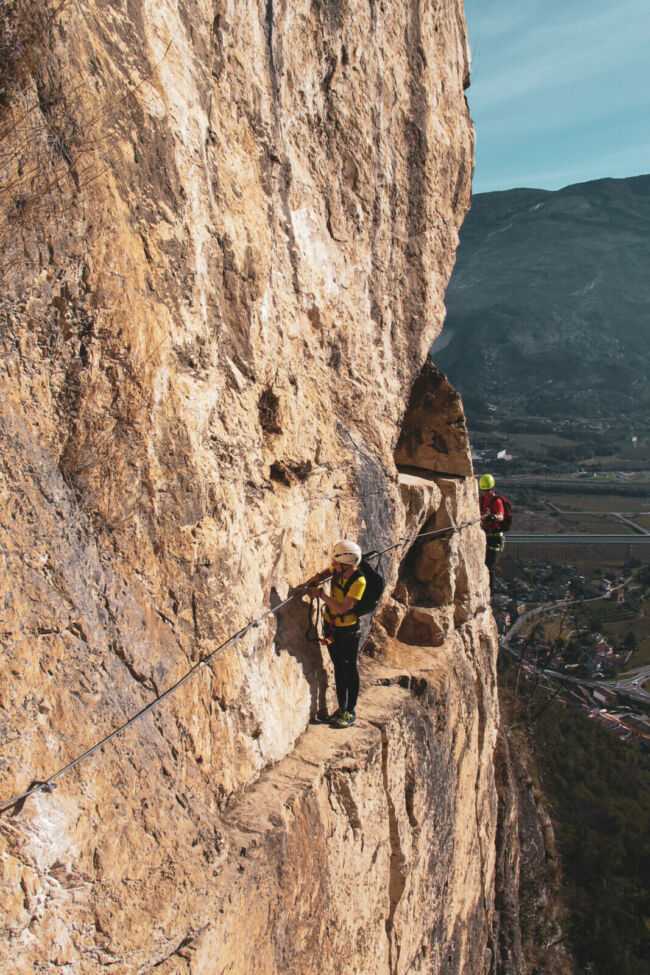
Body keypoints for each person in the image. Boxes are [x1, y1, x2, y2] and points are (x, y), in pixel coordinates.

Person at [306, 539, 366, 728]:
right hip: (332, 628)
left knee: (349, 670)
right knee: (339, 669)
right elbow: (328, 572)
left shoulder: (359, 581)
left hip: (347, 632)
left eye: (336, 562)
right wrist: (316, 577)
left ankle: (350, 711)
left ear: (346, 564)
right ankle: (341, 708)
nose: (332, 564)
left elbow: (342, 608)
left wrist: (321, 595)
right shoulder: (340, 571)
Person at [478, 473, 504, 592]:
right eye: (483, 490)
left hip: (495, 537)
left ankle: (490, 592)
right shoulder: (481, 499)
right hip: (485, 534)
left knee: (490, 566)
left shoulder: (496, 501)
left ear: (493, 488)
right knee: (481, 564)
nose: (486, 492)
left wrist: (494, 517)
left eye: (488, 490)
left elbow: (501, 516)